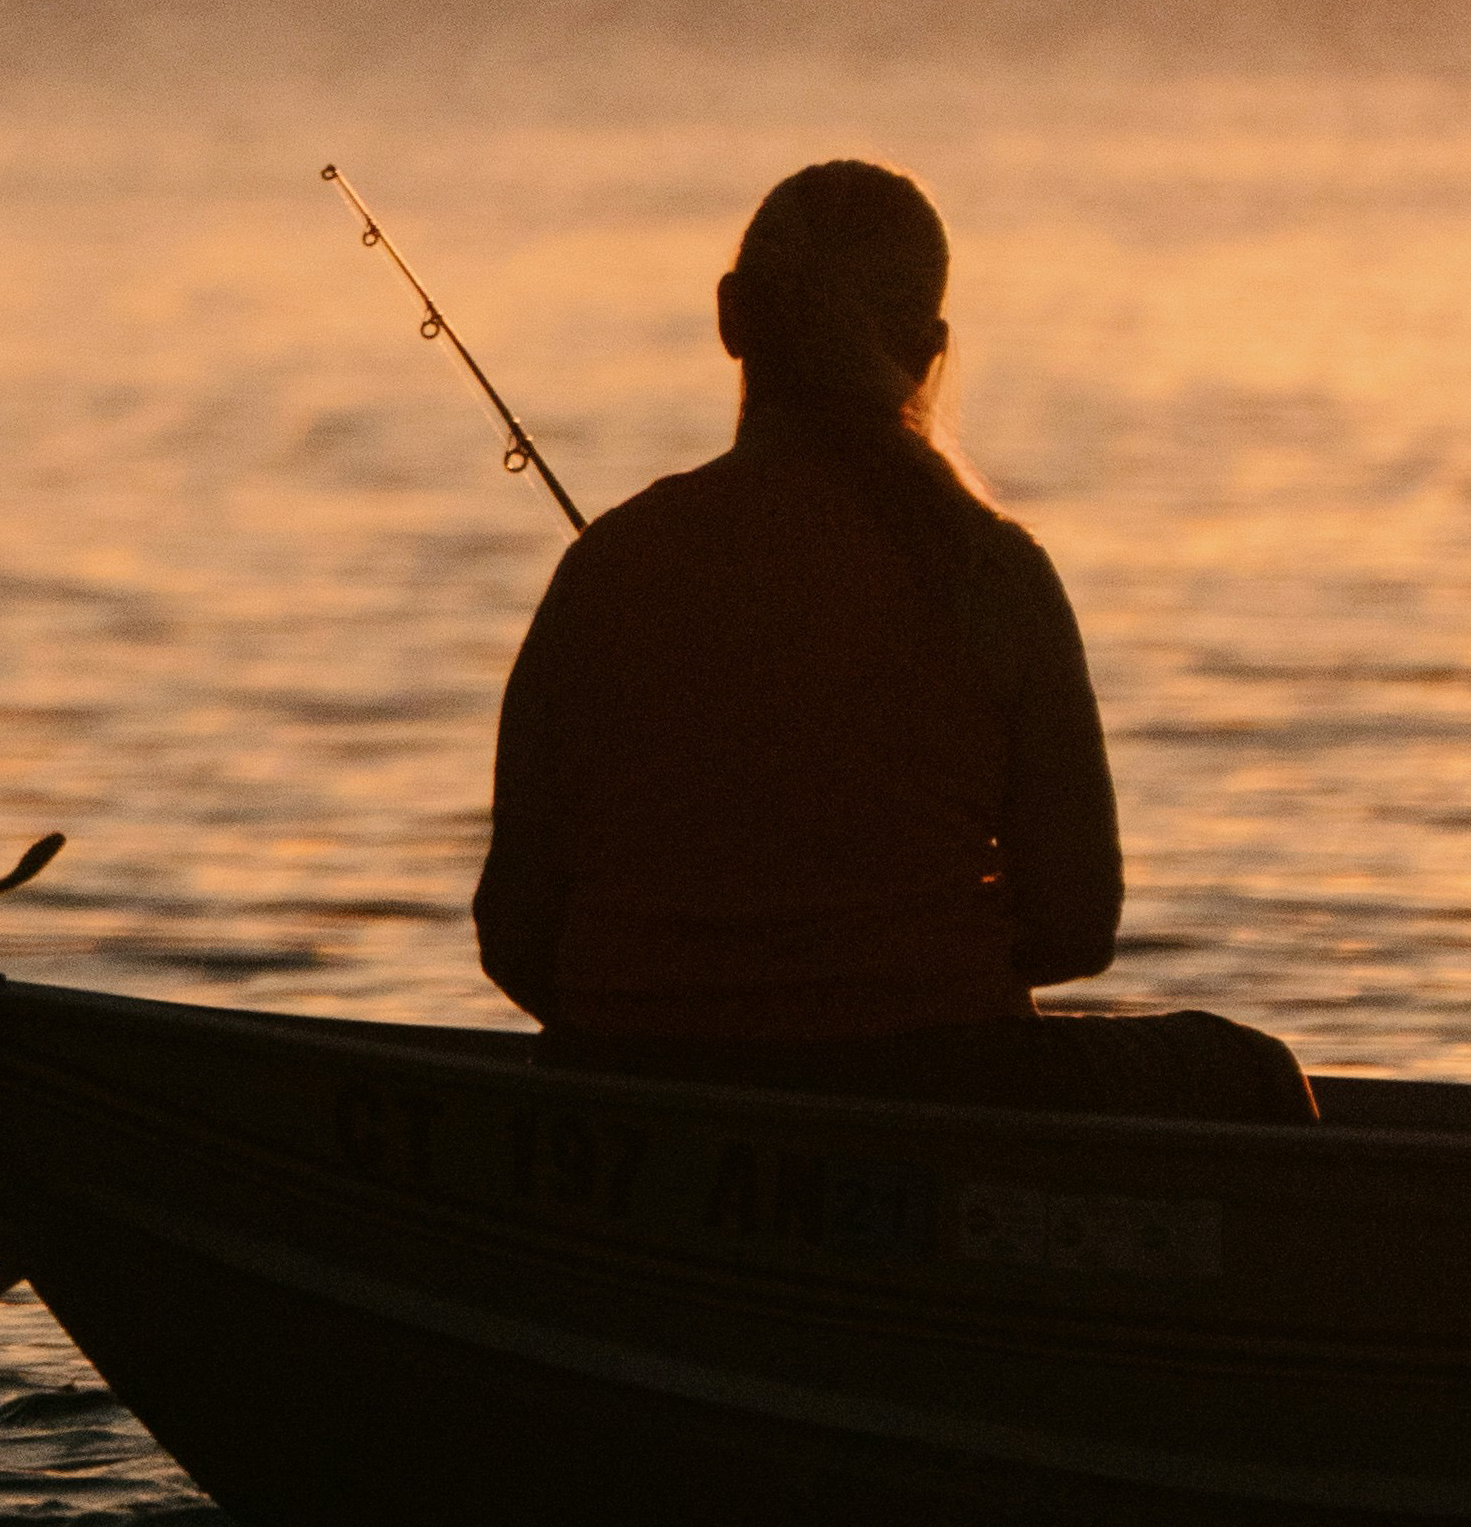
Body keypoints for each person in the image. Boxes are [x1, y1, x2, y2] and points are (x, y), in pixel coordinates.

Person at [473, 160, 1315, 1124]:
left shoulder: (607, 566)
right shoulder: (996, 573)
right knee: (1249, 1070)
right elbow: (1077, 924)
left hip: (627, 1086)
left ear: (731, 316)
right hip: (929, 1086)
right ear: (928, 348)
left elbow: (514, 934)